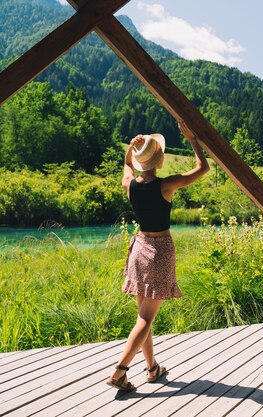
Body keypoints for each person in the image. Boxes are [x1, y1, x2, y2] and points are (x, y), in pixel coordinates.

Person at [106, 120, 210, 391]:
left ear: (141, 161)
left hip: (139, 249)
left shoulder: (130, 185)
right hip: (160, 251)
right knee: (146, 318)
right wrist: (192, 139)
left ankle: (152, 368)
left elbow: (127, 169)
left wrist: (130, 150)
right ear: (159, 159)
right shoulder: (166, 185)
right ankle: (119, 371)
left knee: (143, 313)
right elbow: (203, 168)